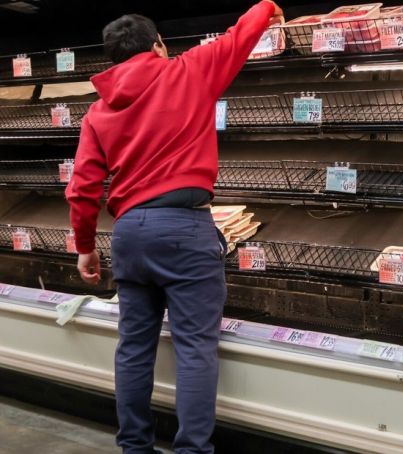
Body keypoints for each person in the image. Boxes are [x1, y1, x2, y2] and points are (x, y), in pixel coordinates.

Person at [64, 2, 283, 453]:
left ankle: (134, 447)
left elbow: (82, 188)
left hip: (129, 234)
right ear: (158, 45)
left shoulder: (98, 112)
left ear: (113, 60)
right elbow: (240, 36)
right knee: (195, 348)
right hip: (185, 228)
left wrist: (85, 246)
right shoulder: (188, 70)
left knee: (133, 347)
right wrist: (267, 8)